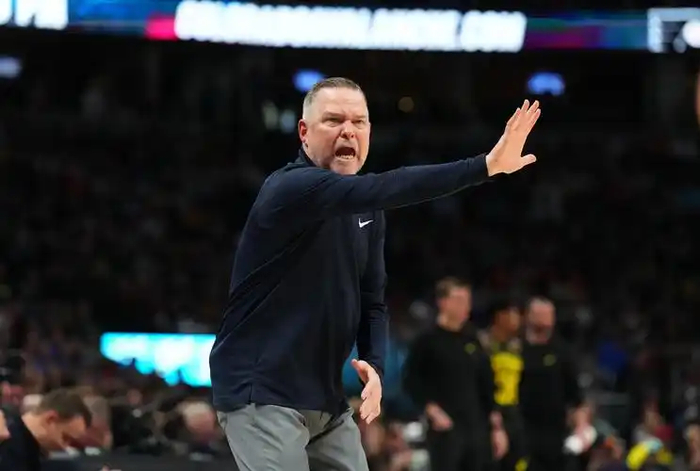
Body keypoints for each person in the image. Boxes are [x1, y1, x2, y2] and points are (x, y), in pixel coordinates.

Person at [209, 76, 541, 471]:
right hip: (262, 391)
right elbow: (386, 187)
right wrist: (485, 165)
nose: (348, 131)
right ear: (304, 132)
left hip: (326, 400)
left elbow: (373, 302)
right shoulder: (290, 188)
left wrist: (375, 366)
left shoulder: (367, 212)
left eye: (359, 122)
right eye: (333, 120)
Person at [403, 277, 507, 471]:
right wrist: (431, 409)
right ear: (442, 302)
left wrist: (497, 428)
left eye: (467, 301)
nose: (465, 306)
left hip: (476, 428)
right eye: (459, 300)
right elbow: (411, 381)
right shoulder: (427, 341)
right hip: (445, 429)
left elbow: (486, 384)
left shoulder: (473, 339)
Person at [519, 297, 588, 471]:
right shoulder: (517, 348)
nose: (544, 320)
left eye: (548, 315)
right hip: (521, 429)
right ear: (528, 316)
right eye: (539, 314)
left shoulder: (562, 351)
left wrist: (581, 428)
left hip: (555, 433)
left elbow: (576, 398)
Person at [478, 298, 527, 471]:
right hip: (488, 411)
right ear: (500, 316)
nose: (518, 319)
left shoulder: (519, 346)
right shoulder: (481, 344)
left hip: (514, 411)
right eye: (513, 314)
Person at [0, 388, 92, 471]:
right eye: (65, 438)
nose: (64, 448)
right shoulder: (7, 444)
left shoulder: (30, 452)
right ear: (50, 419)